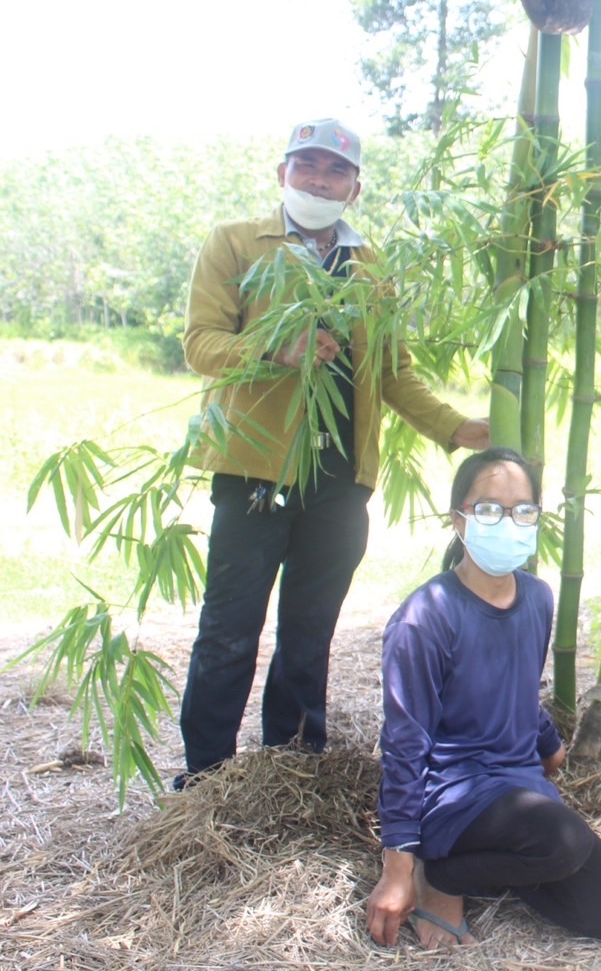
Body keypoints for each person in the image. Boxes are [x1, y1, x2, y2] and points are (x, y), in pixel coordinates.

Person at [178, 118, 489, 786]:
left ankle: (292, 767)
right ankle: (205, 776)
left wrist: (456, 427)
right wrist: (275, 349)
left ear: (354, 188)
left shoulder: (370, 263)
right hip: (257, 468)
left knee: (310, 629)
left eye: (335, 171)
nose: (319, 179)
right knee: (230, 629)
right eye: (307, 166)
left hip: (341, 474)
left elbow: (392, 370)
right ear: (281, 173)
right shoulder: (235, 244)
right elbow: (201, 344)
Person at [367, 448, 601, 948]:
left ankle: (474, 870)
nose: (508, 521)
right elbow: (404, 745)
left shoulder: (536, 597)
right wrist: (397, 864)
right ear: (459, 520)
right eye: (489, 508)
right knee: (563, 839)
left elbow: (517, 686)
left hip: (516, 784)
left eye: (523, 510)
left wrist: (548, 741)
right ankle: (440, 879)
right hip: (451, 793)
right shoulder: (424, 618)